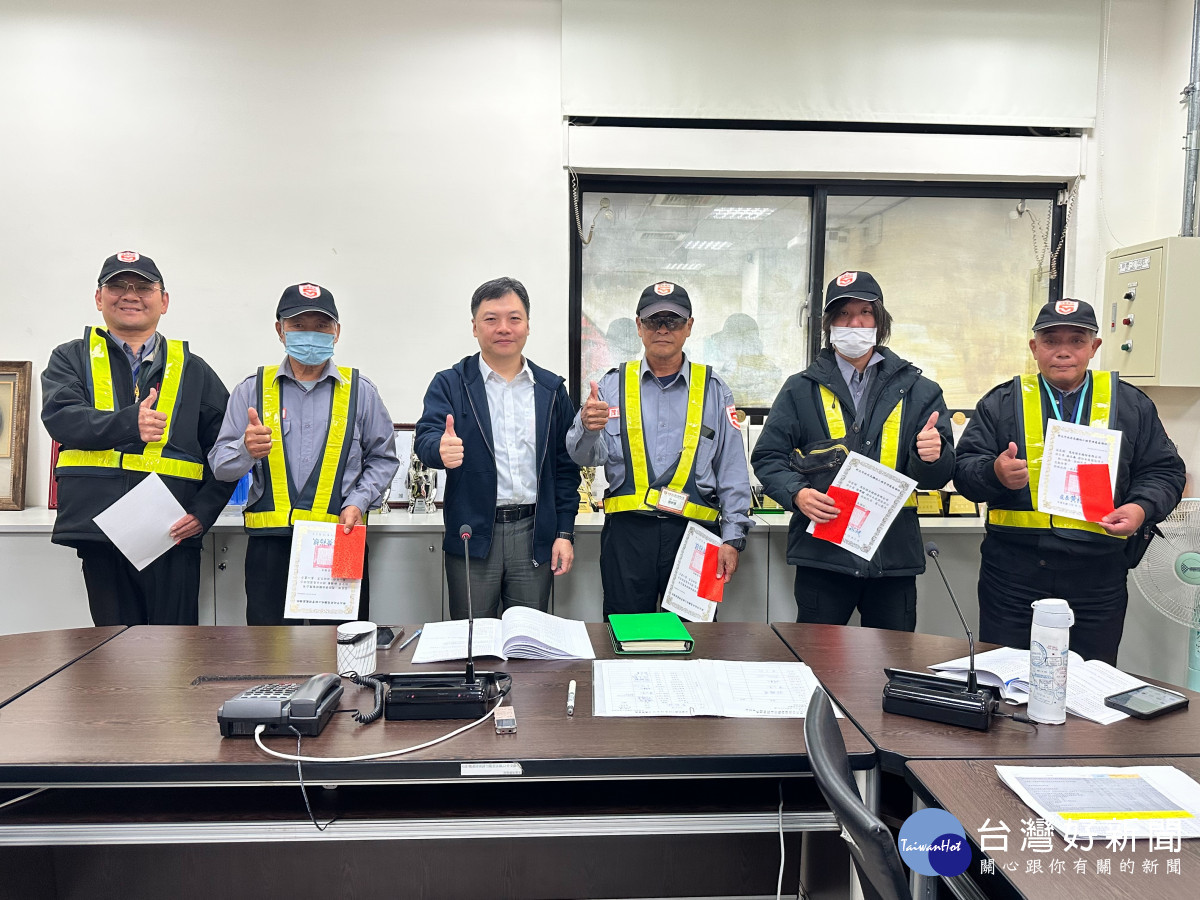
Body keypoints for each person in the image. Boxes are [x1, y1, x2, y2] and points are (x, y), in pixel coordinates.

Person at [955, 298, 1185, 664]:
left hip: (1097, 575)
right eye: (1051, 341)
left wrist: (1140, 508)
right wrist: (993, 474)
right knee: (1005, 676)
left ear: (1094, 347)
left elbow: (1164, 471)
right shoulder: (1001, 402)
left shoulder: (1131, 404)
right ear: (1034, 347)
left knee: (1091, 679)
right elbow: (965, 469)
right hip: (1013, 576)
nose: (1063, 352)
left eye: (1077, 341)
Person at [751, 270, 954, 631]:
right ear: (830, 324)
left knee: (892, 657)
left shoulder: (919, 391)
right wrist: (797, 494)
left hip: (892, 557)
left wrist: (932, 456)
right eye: (843, 314)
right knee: (818, 656)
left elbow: (936, 477)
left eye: (865, 313)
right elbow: (768, 457)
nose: (854, 323)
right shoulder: (800, 389)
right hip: (823, 556)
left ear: (880, 321)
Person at [42, 250, 234, 625]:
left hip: (172, 533)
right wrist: (131, 423)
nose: (130, 295)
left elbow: (226, 451)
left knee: (174, 649)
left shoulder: (194, 369)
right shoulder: (70, 358)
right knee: (113, 648)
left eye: (143, 287)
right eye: (118, 285)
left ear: (164, 301)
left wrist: (203, 513)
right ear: (99, 298)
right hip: (99, 530)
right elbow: (61, 419)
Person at [208, 283, 398, 625]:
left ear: (336, 332)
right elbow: (220, 466)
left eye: (321, 325)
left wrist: (359, 502)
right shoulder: (251, 390)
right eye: (298, 325)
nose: (310, 333)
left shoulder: (362, 392)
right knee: (271, 647)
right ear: (280, 330)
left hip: (342, 538)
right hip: (270, 544)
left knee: (345, 643)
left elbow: (383, 459)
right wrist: (245, 451)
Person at [567, 281, 753, 618]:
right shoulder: (610, 385)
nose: (663, 329)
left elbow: (732, 469)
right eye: (653, 321)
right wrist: (587, 427)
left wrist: (732, 537)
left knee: (692, 636)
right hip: (628, 537)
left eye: (674, 321)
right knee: (627, 635)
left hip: (696, 536)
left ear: (689, 327)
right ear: (639, 326)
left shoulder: (714, 390)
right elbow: (582, 456)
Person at [415, 277, 580, 619]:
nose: (503, 328)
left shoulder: (550, 390)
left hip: (534, 534)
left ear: (528, 326)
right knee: (472, 637)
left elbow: (566, 469)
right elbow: (426, 436)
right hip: (473, 534)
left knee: (528, 638)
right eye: (491, 319)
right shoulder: (450, 383)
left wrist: (564, 533)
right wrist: (439, 449)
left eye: (514, 318)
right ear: (475, 327)